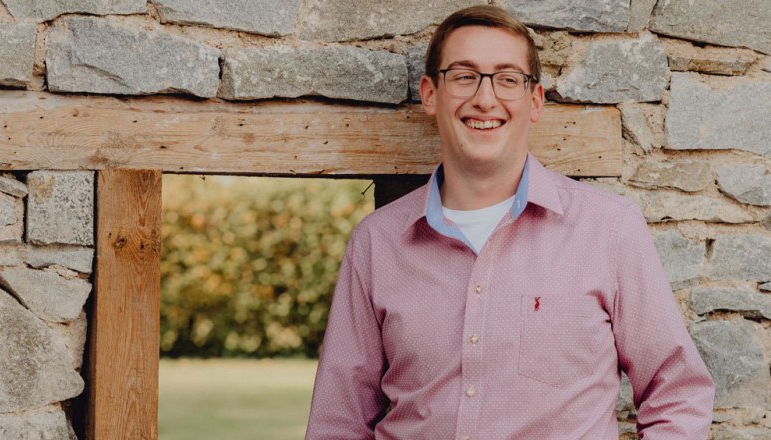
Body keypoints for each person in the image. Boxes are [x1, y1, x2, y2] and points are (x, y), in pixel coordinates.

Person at [305, 5, 715, 439]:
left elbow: (679, 393)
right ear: (430, 94)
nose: (485, 99)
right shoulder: (377, 243)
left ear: (534, 100)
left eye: (507, 79)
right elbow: (339, 421)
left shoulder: (608, 229)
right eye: (464, 76)